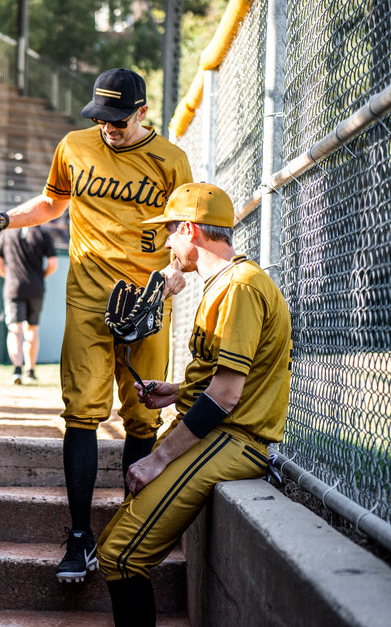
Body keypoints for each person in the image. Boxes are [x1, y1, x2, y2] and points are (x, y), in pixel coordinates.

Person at [0, 68, 193, 583]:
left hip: (146, 301)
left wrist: (174, 275)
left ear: (142, 112)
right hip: (88, 299)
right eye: (102, 118)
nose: (109, 128)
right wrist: (4, 219)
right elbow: (52, 203)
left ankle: (133, 530)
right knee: (81, 413)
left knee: (141, 416)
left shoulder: (172, 161)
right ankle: (79, 538)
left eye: (119, 119)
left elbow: (186, 234)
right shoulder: (74, 146)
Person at [97, 182, 292, 625]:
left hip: (234, 438)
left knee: (120, 555)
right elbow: (219, 378)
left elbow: (226, 395)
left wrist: (157, 459)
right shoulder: (224, 282)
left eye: (170, 230)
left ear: (190, 229)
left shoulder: (240, 287)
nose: (166, 241)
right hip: (219, 433)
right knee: (115, 545)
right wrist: (177, 391)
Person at [0, 227, 58, 385]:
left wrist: (9, 277)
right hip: (36, 287)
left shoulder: (7, 233)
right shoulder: (43, 234)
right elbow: (53, 263)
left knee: (15, 329)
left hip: (13, 287)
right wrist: (40, 276)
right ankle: (30, 371)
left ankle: (17, 370)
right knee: (32, 329)